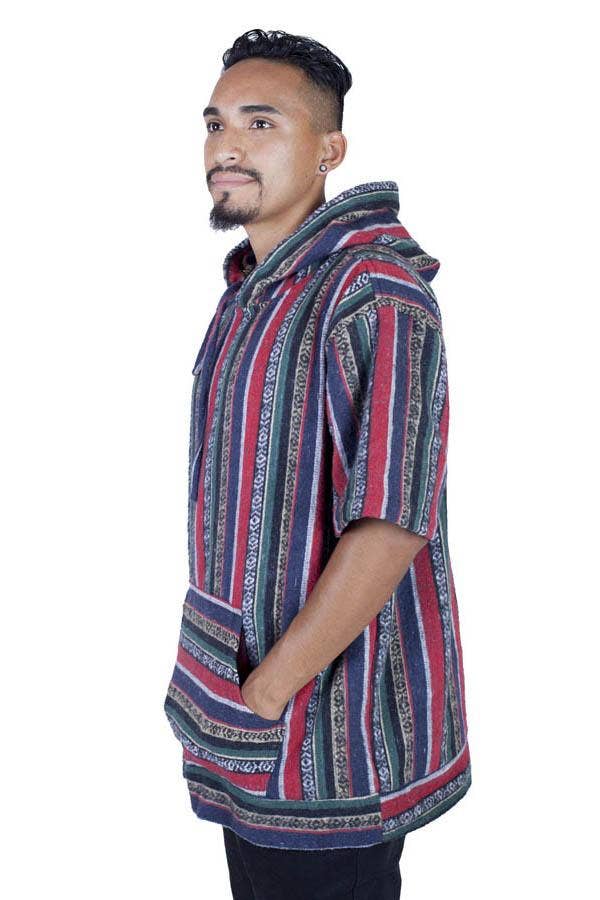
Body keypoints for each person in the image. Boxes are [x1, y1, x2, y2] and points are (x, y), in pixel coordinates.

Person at [163, 27, 472, 900]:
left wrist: (266, 695)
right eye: (216, 123)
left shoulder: (375, 293)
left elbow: (391, 524)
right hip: (242, 722)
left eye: (261, 123)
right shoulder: (252, 293)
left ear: (330, 149)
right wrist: (240, 704)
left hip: (331, 742)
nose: (227, 146)